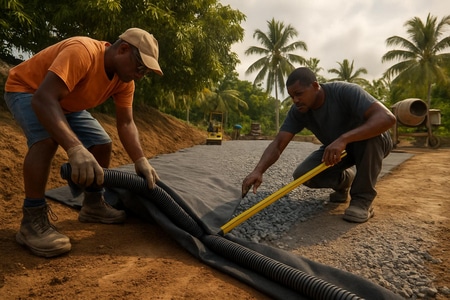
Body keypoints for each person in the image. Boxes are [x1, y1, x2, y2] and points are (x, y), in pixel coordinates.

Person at [4, 27, 163, 257]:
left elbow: (126, 123)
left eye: (145, 72)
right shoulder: (83, 52)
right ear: (124, 49)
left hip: (64, 102)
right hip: (29, 90)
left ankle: (93, 204)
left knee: (101, 143)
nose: (140, 75)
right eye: (140, 67)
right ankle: (32, 220)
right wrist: (75, 148)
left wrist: (140, 160)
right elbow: (43, 98)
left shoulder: (124, 81)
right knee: (46, 141)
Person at [242, 67, 396, 223]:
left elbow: (387, 118)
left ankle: (362, 200)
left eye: (299, 94)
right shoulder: (298, 111)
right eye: (291, 96)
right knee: (303, 174)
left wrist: (343, 139)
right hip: (338, 150)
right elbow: (278, 144)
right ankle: (344, 182)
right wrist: (258, 171)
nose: (295, 100)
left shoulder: (345, 91)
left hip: (371, 142)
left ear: (315, 86)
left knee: (370, 139)